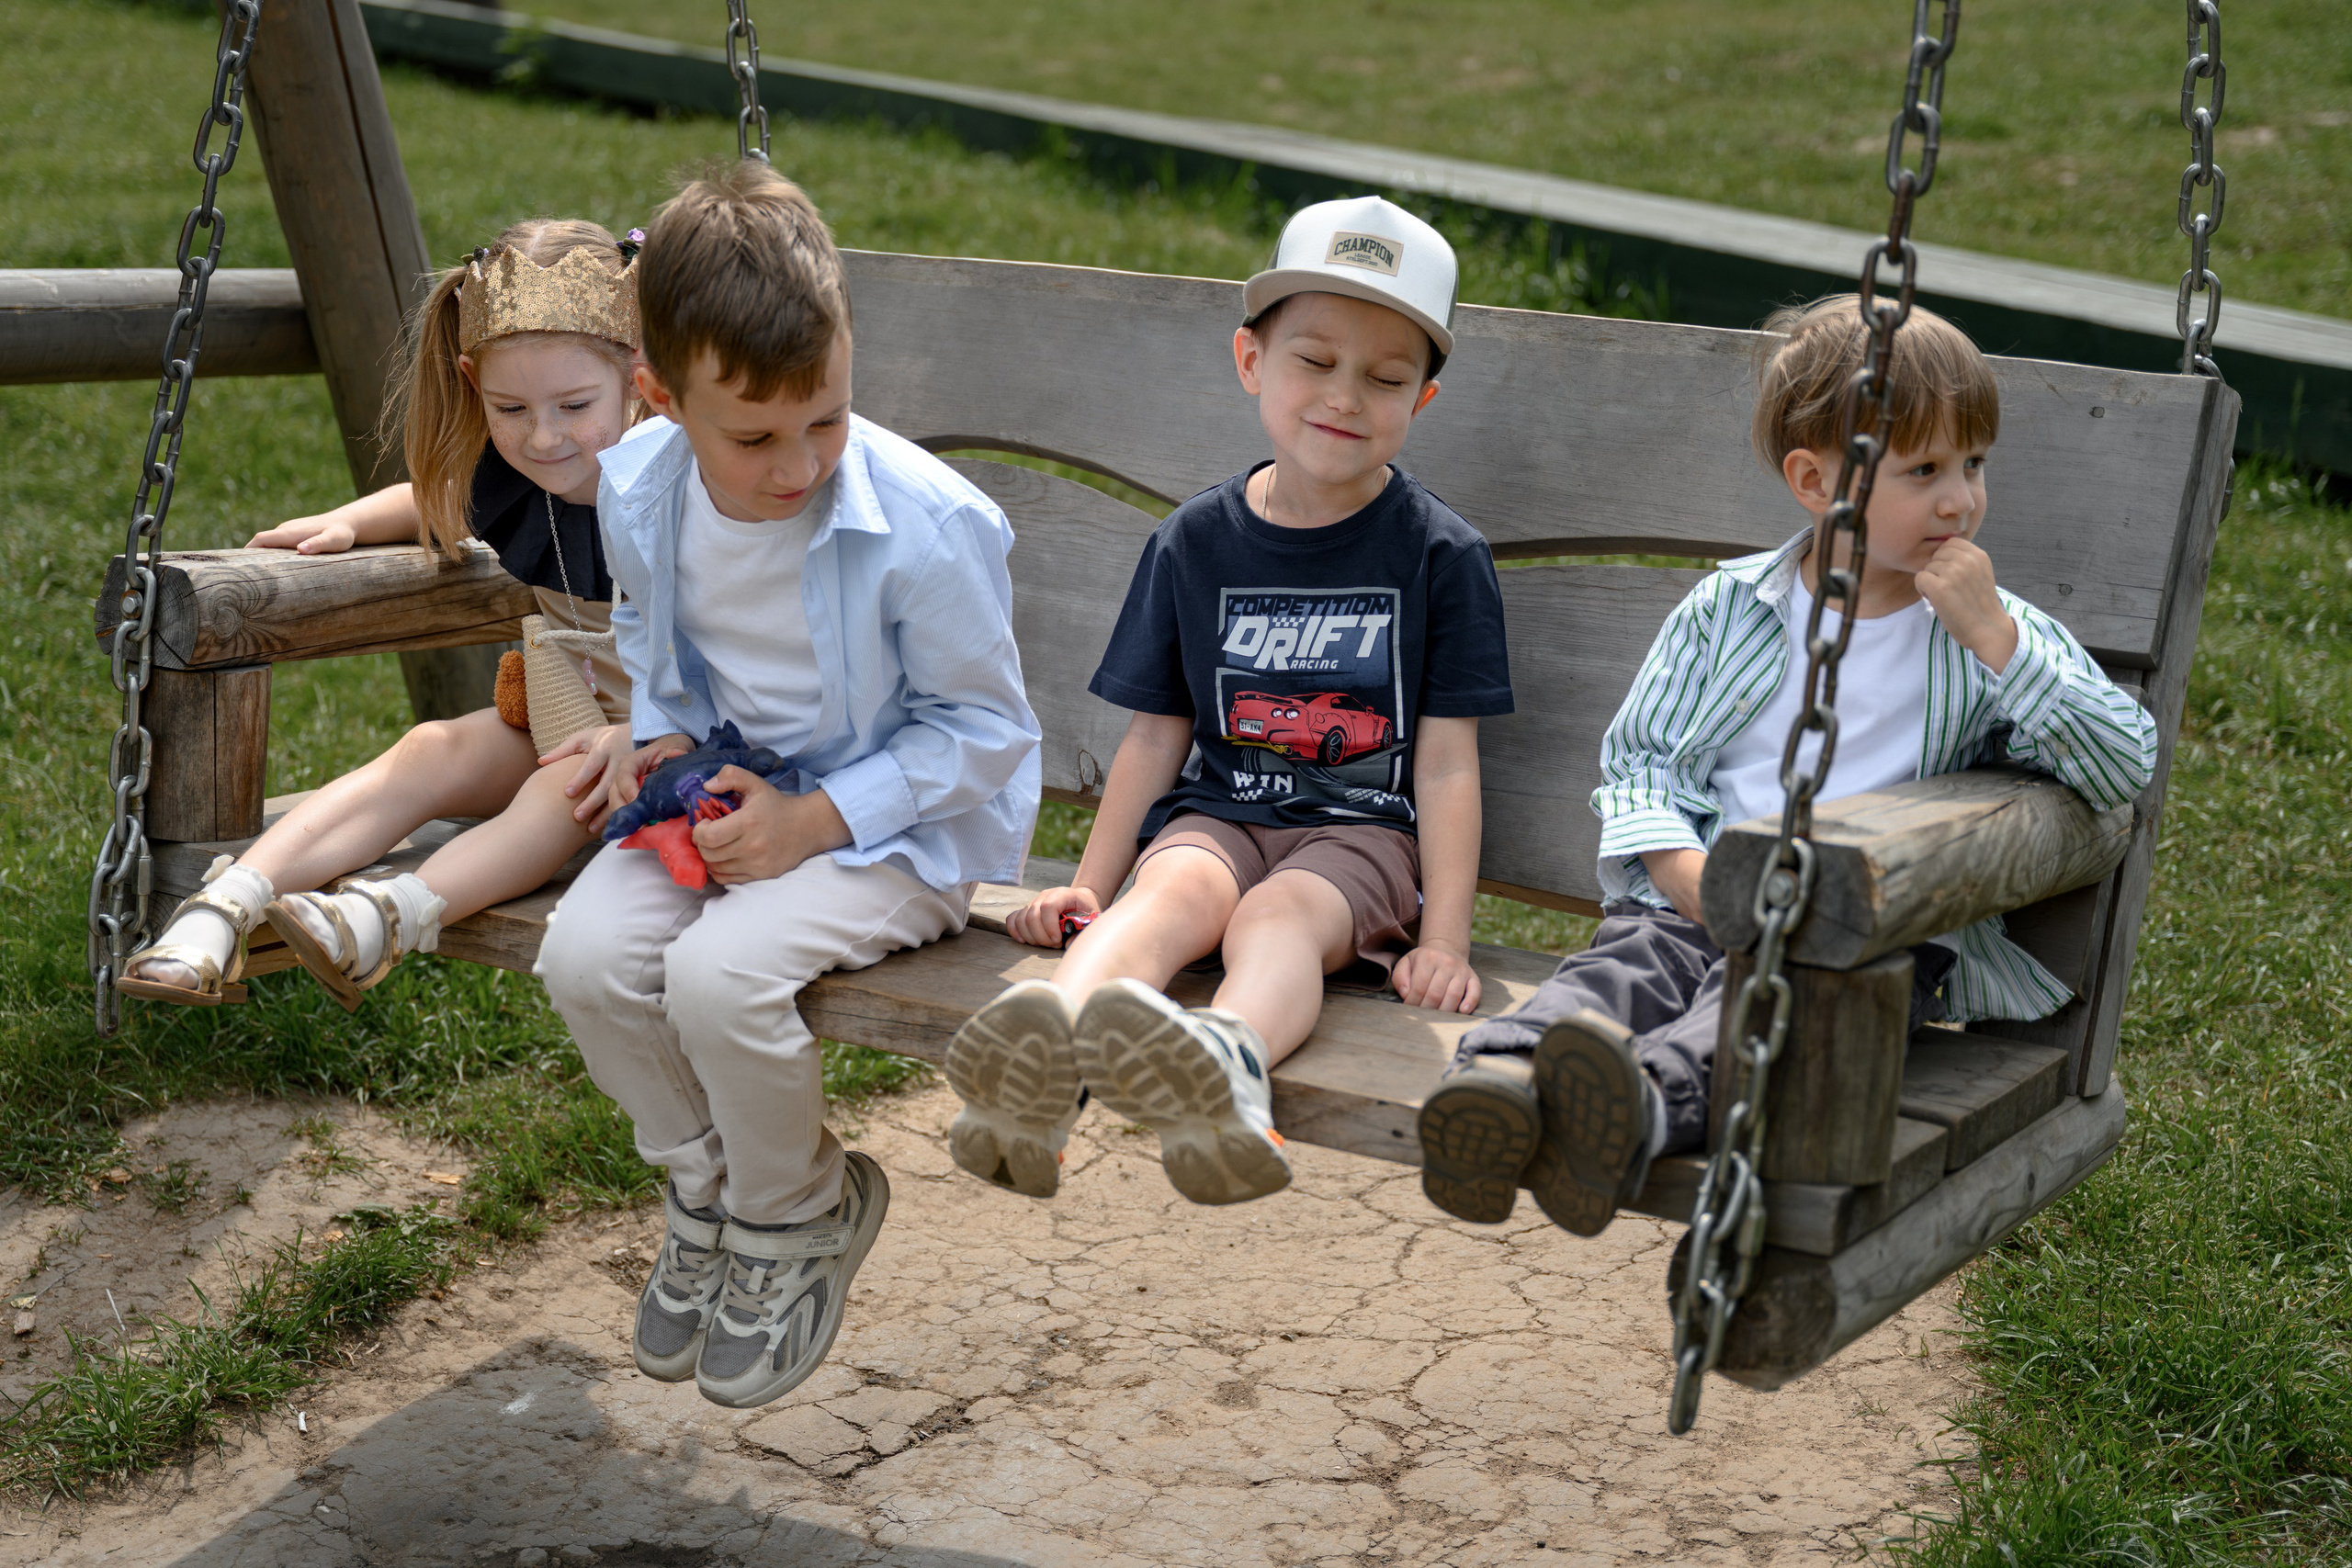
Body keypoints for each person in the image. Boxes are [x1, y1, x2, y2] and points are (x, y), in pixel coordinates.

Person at [1414, 296, 2160, 1235]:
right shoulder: (1729, 612)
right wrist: (1689, 879)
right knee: (1616, 973)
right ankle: (1500, 1089)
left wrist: (2001, 645)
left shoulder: (1983, 632)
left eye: (1973, 464)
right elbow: (1645, 764)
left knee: (1765, 1014)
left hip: (1858, 938)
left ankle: (1632, 1112)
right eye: (1922, 469)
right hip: (1697, 902)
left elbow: (2122, 763)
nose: (1958, 498)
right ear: (1816, 480)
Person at [533, 162, 1040, 1411]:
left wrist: (816, 817)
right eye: (753, 436)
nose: (799, 463)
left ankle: (796, 1209)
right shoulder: (642, 484)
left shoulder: (924, 526)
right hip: (731, 802)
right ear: (659, 398)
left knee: (719, 973)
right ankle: (706, 1188)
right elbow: (653, 641)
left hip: (897, 835)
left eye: (827, 418)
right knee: (584, 953)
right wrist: (659, 743)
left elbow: (988, 729)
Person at [944, 196, 1513, 1209]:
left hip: (1362, 837)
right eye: (1314, 361)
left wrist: (1445, 942)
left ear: (1420, 400)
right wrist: (1090, 884)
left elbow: (1446, 761)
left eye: (1384, 379)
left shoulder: (1439, 555)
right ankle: (1042, 1065)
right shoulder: (1194, 541)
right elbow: (1157, 731)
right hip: (1220, 814)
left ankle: (1226, 1070)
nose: (1343, 396)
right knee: (1169, 899)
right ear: (1251, 361)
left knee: (1280, 917)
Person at [117, 220, 645, 1011]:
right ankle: (225, 907)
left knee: (563, 783)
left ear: (640, 376)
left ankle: (389, 916)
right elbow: (434, 499)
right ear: (472, 381)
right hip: (570, 717)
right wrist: (352, 522)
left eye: (575, 403)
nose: (543, 436)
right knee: (431, 748)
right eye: (510, 407)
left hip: (672, 743)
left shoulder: (684, 486)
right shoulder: (517, 474)